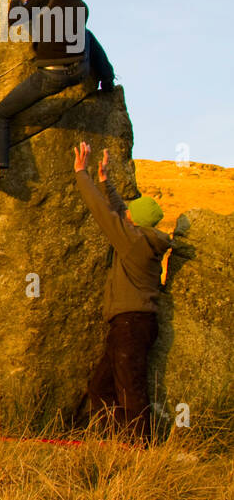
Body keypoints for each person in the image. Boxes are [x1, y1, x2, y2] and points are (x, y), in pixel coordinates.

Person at [0, 0, 111, 186]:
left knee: (0, 114)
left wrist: (18, 0)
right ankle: (107, 80)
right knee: (87, 35)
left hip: (52, 75)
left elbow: (15, 20)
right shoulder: (82, 7)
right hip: (80, 69)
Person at [73, 141, 171, 444]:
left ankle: (139, 450)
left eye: (130, 213)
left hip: (130, 325)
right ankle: (114, 442)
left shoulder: (132, 243)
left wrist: (82, 174)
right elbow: (119, 213)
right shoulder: (142, 239)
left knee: (131, 390)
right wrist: (106, 181)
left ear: (135, 222)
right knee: (101, 387)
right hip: (133, 324)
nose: (126, 213)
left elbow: (105, 214)